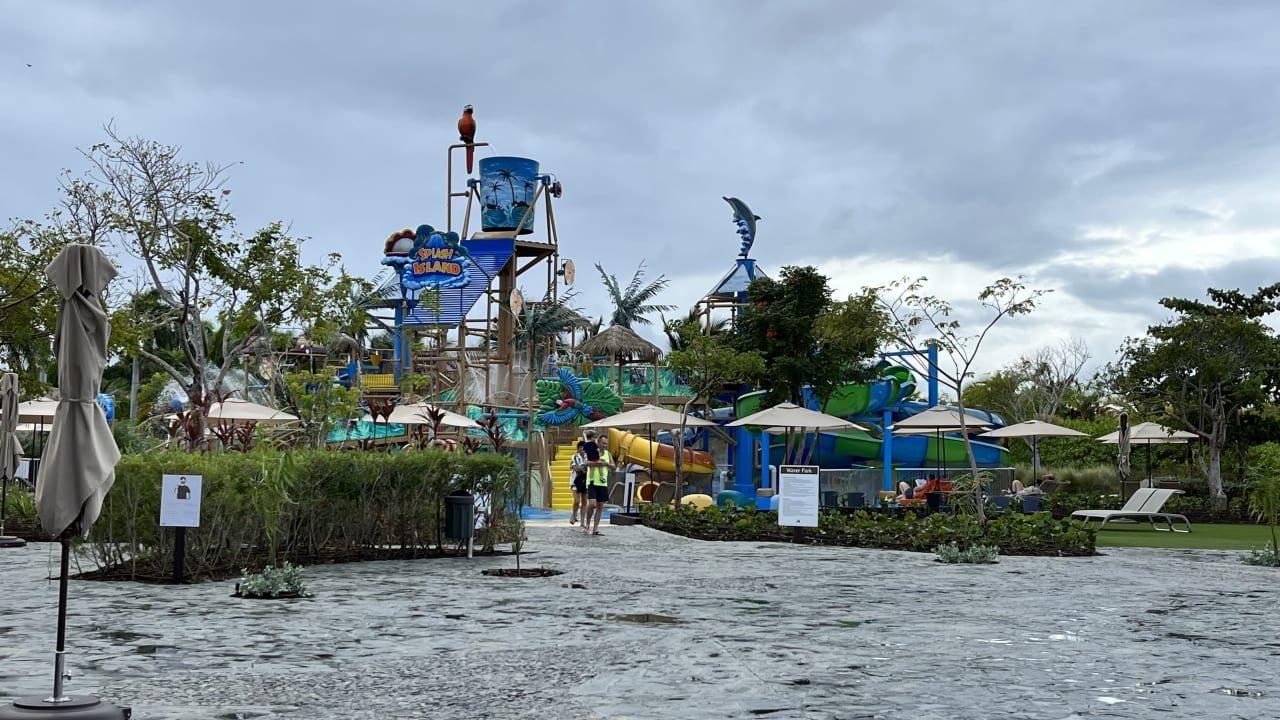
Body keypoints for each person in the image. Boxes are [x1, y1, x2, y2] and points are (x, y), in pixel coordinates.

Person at [581, 434, 615, 536]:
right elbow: (585, 463)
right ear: (599, 443)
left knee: (600, 506)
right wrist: (597, 463)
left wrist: (606, 464)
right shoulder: (592, 451)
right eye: (603, 443)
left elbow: (613, 466)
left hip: (603, 483)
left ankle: (595, 528)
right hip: (592, 482)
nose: (605, 445)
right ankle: (587, 525)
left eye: (606, 444)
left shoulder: (608, 454)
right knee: (592, 504)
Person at [569, 440, 588, 525]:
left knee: (584, 501)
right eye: (581, 447)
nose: (582, 449)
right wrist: (582, 469)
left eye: (584, 447)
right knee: (577, 500)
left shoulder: (589, 457)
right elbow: (574, 467)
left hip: (586, 480)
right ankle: (574, 514)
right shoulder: (575, 457)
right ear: (578, 449)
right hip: (576, 481)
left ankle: (583, 520)